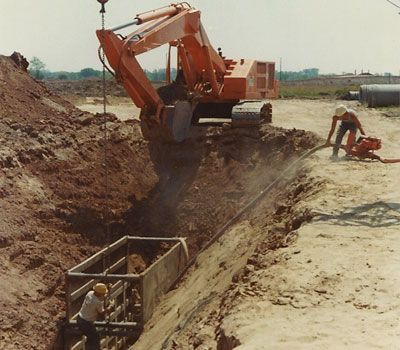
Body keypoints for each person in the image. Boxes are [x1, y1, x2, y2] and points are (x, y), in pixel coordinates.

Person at [77, 283, 113, 350]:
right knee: (95, 339)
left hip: (79, 318)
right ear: (99, 293)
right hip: (86, 323)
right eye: (103, 293)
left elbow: (101, 296)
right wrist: (109, 307)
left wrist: (108, 290)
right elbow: (101, 312)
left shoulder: (89, 293)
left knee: (91, 338)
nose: (104, 294)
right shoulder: (97, 302)